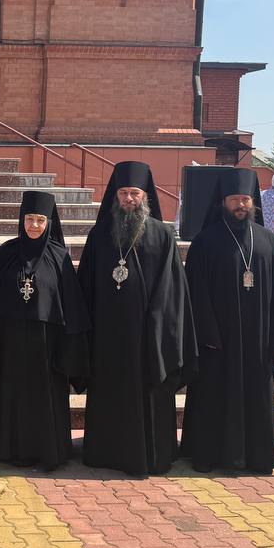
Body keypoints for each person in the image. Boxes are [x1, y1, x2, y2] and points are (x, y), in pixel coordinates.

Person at [76, 162, 195, 476]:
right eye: (123, 193)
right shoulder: (99, 234)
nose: (128, 199)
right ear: (115, 196)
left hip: (147, 338)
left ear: (145, 196)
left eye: (134, 193)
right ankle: (105, 454)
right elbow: (85, 286)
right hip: (107, 335)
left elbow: (172, 289)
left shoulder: (162, 234)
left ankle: (152, 456)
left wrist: (155, 326)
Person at [180, 168, 274, 475]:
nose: (240, 205)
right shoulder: (205, 242)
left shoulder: (269, 241)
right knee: (214, 396)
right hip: (217, 341)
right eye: (234, 199)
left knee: (256, 397)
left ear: (253, 202)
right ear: (223, 202)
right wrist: (206, 333)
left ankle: (258, 457)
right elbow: (194, 293)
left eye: (245, 199)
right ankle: (209, 456)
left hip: (258, 341)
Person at [0, 191, 88, 470]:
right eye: (29, 219)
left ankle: (45, 451)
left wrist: (69, 348)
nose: (34, 225)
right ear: (21, 220)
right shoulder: (6, 253)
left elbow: (72, 309)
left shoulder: (60, 257)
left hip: (46, 348)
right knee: (9, 395)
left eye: (40, 220)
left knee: (42, 400)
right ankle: (5, 448)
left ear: (49, 222)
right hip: (7, 344)